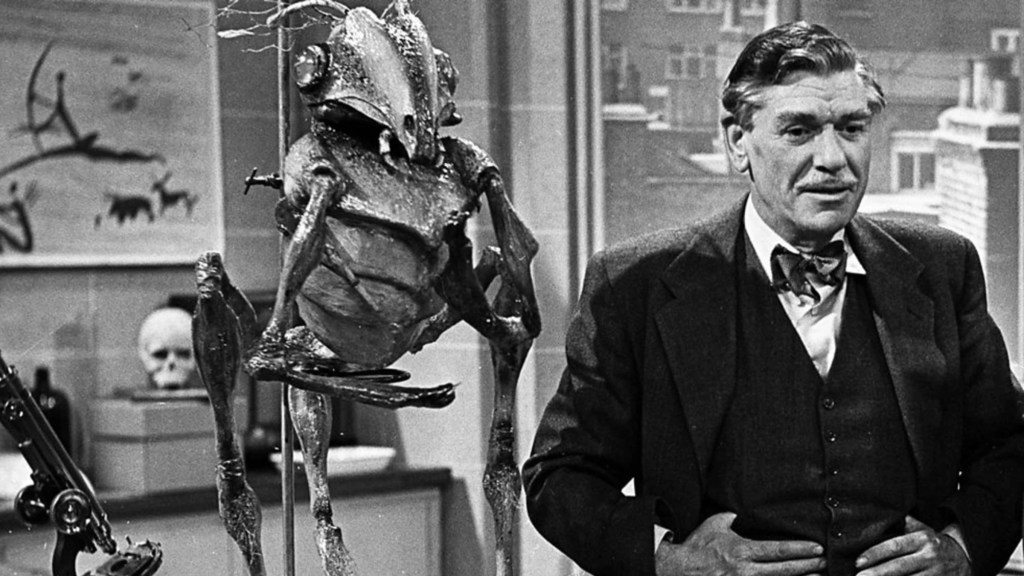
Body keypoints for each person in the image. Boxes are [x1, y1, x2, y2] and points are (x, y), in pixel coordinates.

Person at [523, 21, 1024, 576]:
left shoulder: (942, 267)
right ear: (738, 142)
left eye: (851, 128)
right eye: (799, 131)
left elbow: (1010, 447)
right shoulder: (635, 284)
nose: (833, 158)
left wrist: (962, 546)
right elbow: (560, 476)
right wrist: (668, 560)